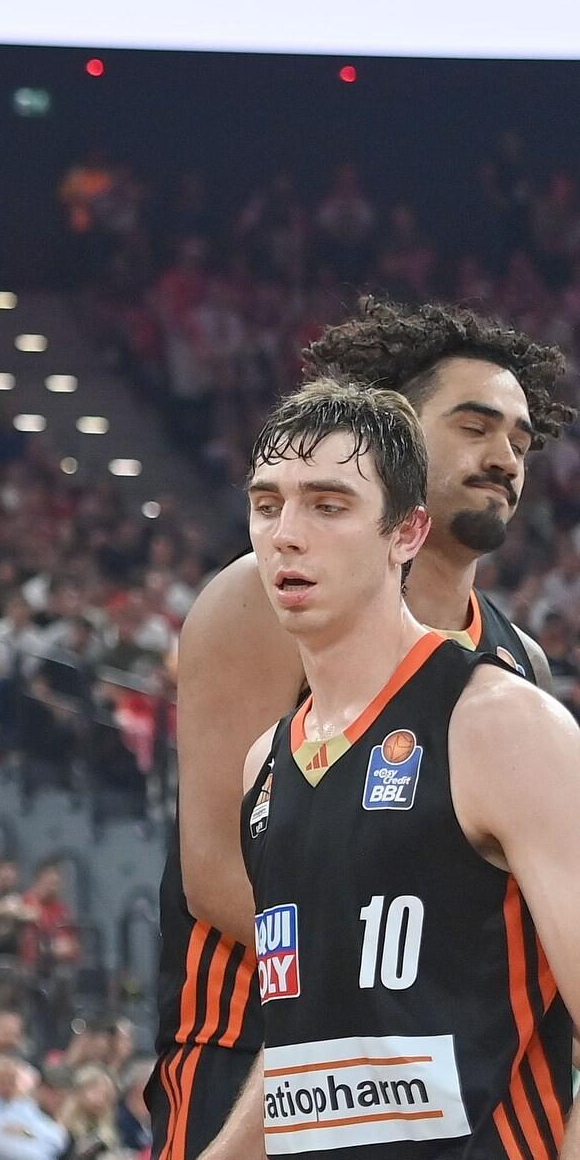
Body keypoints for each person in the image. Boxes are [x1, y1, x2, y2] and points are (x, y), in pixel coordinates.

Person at [147, 300, 566, 1159]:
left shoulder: (513, 670)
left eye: (520, 441)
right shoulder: (265, 597)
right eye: (475, 426)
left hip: (439, 1051)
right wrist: (375, 994)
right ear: (395, 437)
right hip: (257, 1039)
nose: (503, 457)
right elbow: (216, 877)